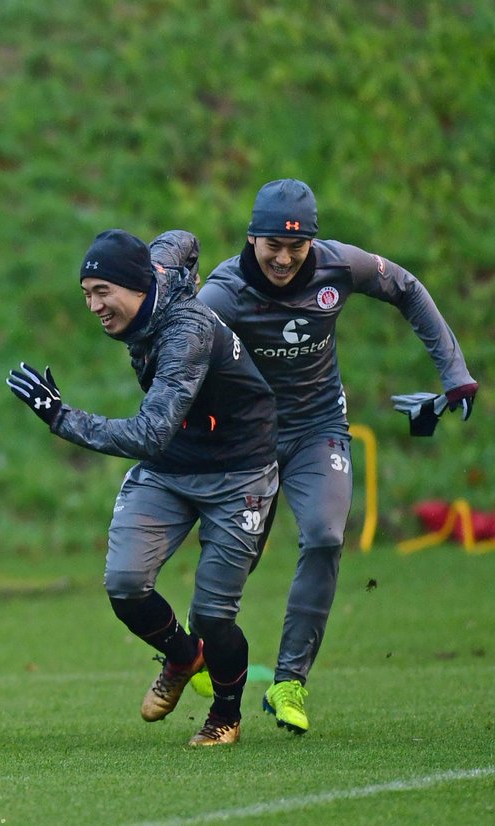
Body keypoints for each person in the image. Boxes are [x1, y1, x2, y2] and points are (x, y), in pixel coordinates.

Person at [198, 179, 478, 735]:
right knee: (233, 559)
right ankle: (206, 650)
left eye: (295, 247)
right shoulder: (221, 294)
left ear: (312, 244)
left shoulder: (339, 267)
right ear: (251, 237)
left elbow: (407, 287)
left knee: (326, 535)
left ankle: (289, 682)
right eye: (271, 245)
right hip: (245, 438)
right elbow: (182, 359)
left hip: (316, 429)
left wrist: (454, 374)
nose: (283, 258)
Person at [7, 229, 279, 746]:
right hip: (173, 466)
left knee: (213, 614)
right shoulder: (151, 270)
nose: (93, 305)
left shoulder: (185, 335)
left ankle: (225, 715)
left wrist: (61, 417)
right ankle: (182, 656)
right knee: (126, 583)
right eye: (86, 292)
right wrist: (192, 275)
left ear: (135, 287)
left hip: (238, 469)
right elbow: (182, 238)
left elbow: (151, 433)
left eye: (102, 292)